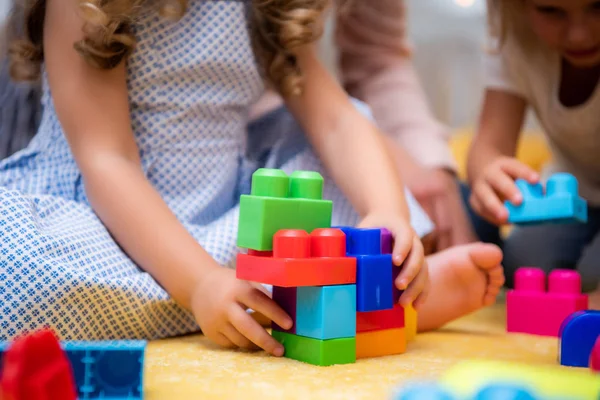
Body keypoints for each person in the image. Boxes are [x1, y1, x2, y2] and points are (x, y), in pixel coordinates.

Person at [0, 0, 503, 354]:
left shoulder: (264, 6)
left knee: (326, 174)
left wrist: (386, 213)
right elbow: (107, 162)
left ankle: (369, 290)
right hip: (103, 225)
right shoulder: (90, 5)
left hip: (232, 230)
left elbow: (335, 120)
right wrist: (199, 285)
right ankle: (336, 310)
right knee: (13, 259)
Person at [251, 0, 478, 255]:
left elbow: (375, 62)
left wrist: (427, 165)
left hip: (328, 119)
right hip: (276, 133)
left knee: (471, 216)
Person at [467, 0, 600, 291]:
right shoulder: (515, 37)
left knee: (588, 280)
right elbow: (490, 143)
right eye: (551, 11)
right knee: (524, 268)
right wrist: (488, 173)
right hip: (576, 191)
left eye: (598, 7)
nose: (578, 35)